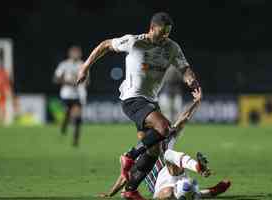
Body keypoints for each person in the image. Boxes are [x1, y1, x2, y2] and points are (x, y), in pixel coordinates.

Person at [77, 12, 202, 200]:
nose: (164, 37)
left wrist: (193, 83)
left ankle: (130, 190)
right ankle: (128, 156)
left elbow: (184, 69)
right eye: (161, 33)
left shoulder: (171, 48)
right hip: (132, 99)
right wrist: (85, 67)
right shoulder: (134, 42)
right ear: (151, 28)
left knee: (153, 151)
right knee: (165, 127)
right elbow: (105, 45)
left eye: (168, 33)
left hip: (150, 101)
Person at [97, 89, 231, 199]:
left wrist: (197, 102)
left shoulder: (165, 138)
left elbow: (183, 119)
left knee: (168, 155)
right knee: (170, 193)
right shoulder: (139, 153)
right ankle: (206, 192)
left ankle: (197, 170)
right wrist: (110, 193)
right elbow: (125, 178)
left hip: (176, 173)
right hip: (160, 185)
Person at [53, 46, 88, 147]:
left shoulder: (82, 64)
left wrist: (82, 82)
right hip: (66, 94)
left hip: (78, 95)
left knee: (77, 117)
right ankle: (64, 127)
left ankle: (75, 140)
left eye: (78, 52)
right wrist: (68, 82)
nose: (76, 54)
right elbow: (56, 79)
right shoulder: (64, 65)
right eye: (74, 52)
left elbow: (87, 81)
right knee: (67, 114)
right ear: (70, 53)